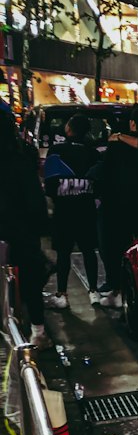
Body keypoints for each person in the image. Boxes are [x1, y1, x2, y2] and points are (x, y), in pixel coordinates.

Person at [90, 102, 138, 308]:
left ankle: (118, 290)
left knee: (112, 247)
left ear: (132, 124)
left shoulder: (117, 146)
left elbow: (105, 174)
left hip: (116, 205)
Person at [43, 112, 101, 308]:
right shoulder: (93, 154)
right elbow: (99, 184)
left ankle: (62, 294)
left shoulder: (56, 151)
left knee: (63, 254)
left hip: (64, 211)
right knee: (89, 252)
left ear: (68, 129)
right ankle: (94, 291)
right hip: (86, 210)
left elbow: (50, 186)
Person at [0, 109, 48, 345]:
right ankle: (38, 330)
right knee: (30, 279)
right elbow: (35, 201)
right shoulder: (21, 161)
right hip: (20, 230)